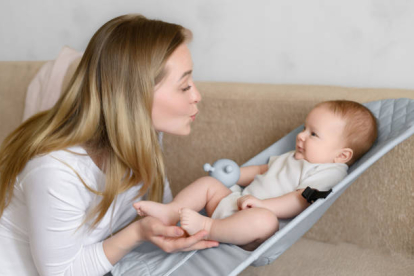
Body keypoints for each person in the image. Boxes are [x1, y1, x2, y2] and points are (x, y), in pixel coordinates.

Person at [0, 14, 219, 276]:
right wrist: (137, 233)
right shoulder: (56, 170)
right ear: (134, 96)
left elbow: (163, 207)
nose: (197, 96)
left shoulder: (144, 136)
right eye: (184, 86)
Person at [134, 100, 378, 250]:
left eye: (314, 134)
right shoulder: (294, 156)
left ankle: (208, 226)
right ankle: (171, 210)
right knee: (209, 183)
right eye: (304, 128)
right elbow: (263, 170)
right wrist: (235, 174)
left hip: (255, 227)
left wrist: (263, 205)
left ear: (342, 155)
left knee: (265, 220)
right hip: (236, 202)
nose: (301, 136)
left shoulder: (329, 172)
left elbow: (299, 199)